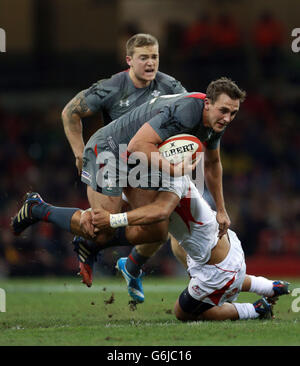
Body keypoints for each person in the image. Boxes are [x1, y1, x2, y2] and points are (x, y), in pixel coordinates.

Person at [61, 32, 187, 287]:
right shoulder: (112, 87)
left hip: (145, 166)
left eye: (155, 57)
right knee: (101, 228)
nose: (150, 63)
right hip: (110, 160)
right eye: (144, 58)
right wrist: (78, 151)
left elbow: (190, 116)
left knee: (156, 227)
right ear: (129, 60)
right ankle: (43, 212)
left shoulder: (170, 86)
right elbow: (70, 112)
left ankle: (131, 266)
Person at [90, 174, 290, 321]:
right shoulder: (164, 175)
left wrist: (111, 220)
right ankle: (270, 287)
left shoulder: (169, 186)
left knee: (183, 313)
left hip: (217, 270)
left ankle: (256, 310)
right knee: (177, 238)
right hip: (226, 247)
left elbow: (156, 214)